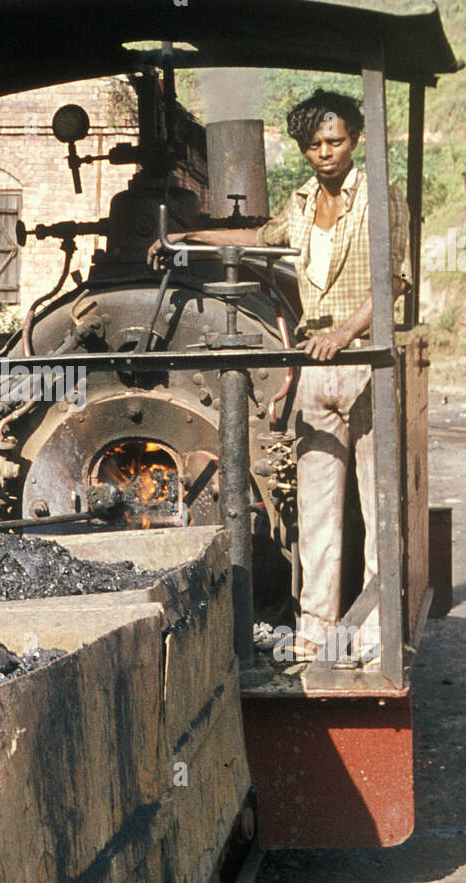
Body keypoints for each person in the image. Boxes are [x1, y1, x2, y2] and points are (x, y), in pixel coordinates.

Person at [150, 89, 410, 664]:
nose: (326, 152)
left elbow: (392, 282)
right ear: (303, 149)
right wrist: (190, 238)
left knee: (374, 506)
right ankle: (317, 632)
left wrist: (342, 335)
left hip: (364, 364)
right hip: (315, 374)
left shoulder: (381, 199)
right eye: (315, 144)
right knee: (317, 510)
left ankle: (373, 638)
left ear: (355, 139)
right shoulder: (301, 204)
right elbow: (258, 238)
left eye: (336, 141)